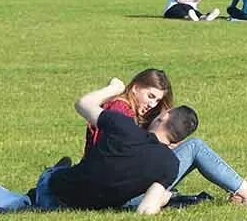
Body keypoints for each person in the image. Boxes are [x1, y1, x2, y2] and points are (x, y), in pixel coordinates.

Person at [33, 78, 200, 213]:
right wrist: (163, 198)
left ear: (164, 116)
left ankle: (56, 170)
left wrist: (113, 88)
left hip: (53, 195)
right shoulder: (170, 165)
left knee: (52, 175)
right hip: (89, 206)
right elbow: (146, 210)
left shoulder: (123, 125)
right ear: (178, 140)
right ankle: (62, 168)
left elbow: (82, 104)